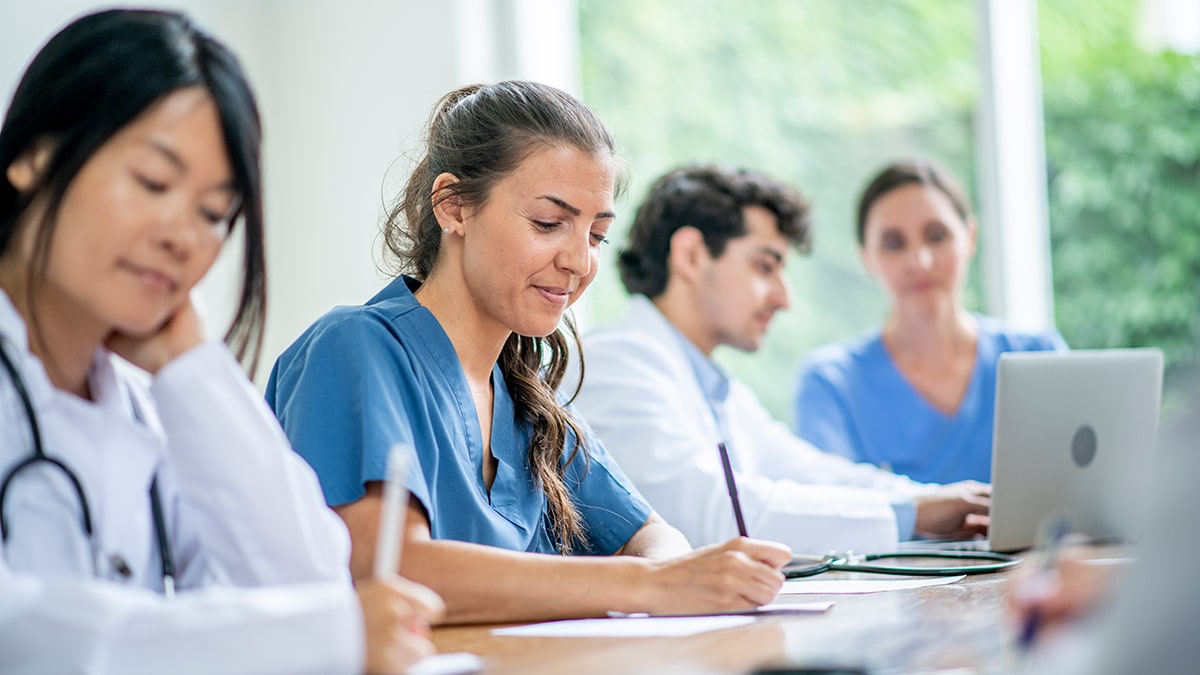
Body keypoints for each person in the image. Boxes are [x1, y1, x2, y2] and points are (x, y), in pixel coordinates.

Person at [0, 10, 441, 674]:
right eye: (152, 182)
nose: (183, 236)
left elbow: (305, 585)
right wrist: (326, 636)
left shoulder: (149, 401)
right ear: (34, 155)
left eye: (213, 213)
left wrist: (194, 370)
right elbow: (25, 634)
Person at [266, 81, 792, 625]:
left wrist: (667, 575)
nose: (580, 262)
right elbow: (391, 571)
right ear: (453, 207)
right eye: (548, 223)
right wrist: (647, 583)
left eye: (595, 235)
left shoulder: (526, 397)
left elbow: (656, 539)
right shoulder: (354, 350)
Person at [569, 164, 989, 555]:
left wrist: (933, 500)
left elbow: (811, 473)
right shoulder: (613, 365)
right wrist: (913, 513)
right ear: (691, 255)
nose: (783, 297)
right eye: (765, 266)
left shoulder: (717, 388)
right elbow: (709, 515)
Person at [793, 160, 1067, 484]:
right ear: (866, 257)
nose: (920, 262)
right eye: (894, 244)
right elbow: (833, 509)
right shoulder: (830, 384)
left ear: (970, 237)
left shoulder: (1039, 356)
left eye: (937, 236)